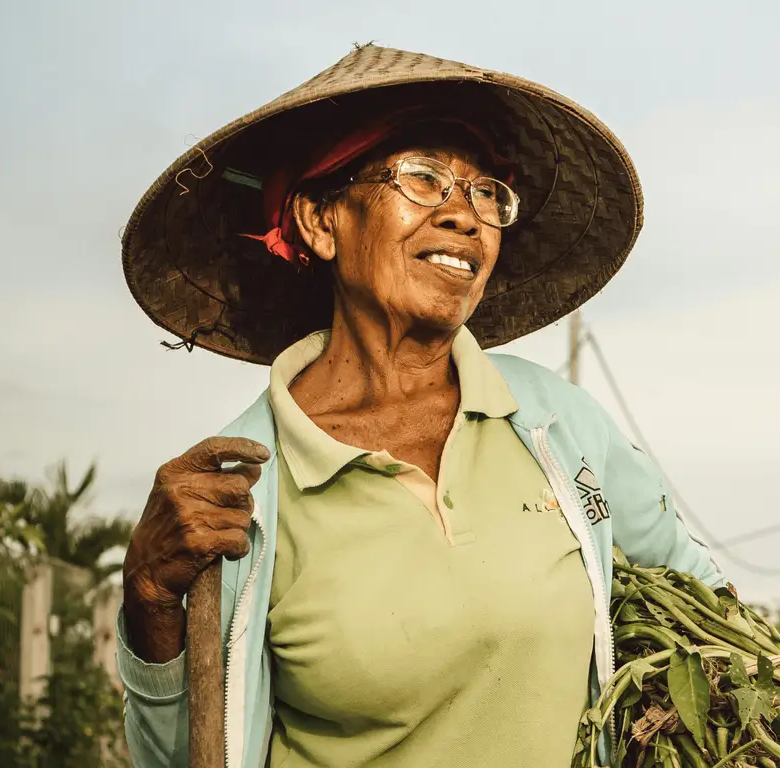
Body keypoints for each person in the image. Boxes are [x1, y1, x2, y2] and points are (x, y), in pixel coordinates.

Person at [117, 44, 725, 768]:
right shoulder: (247, 490)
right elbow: (188, 755)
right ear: (318, 220)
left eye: (487, 193)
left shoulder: (555, 424)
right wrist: (151, 596)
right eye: (424, 178)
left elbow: (705, 603)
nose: (465, 216)